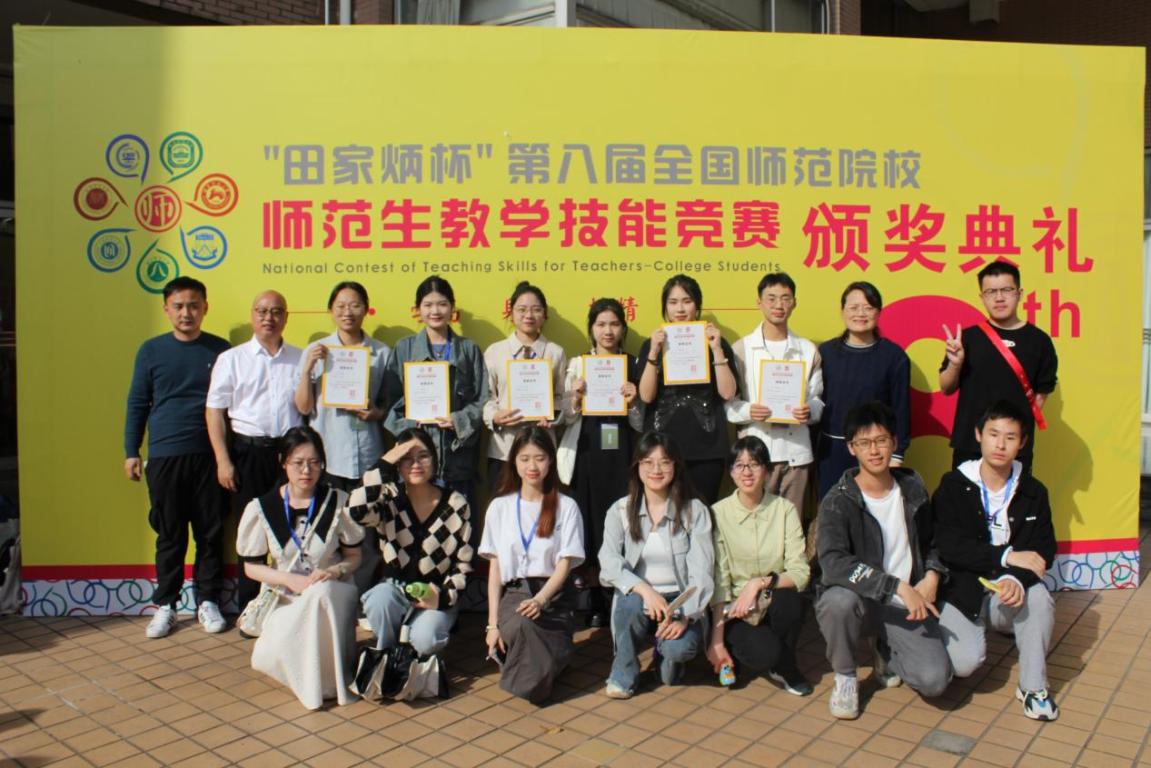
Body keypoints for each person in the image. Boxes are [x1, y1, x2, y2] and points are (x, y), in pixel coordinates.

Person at [816, 402, 951, 720]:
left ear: (894, 442)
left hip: (905, 606)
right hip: (861, 601)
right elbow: (833, 562)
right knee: (837, 602)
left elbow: (933, 541)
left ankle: (885, 648)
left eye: (881, 440)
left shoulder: (913, 487)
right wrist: (895, 586)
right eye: (864, 443)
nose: (874, 450)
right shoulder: (838, 500)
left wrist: (932, 574)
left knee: (935, 681)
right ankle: (846, 676)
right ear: (851, 448)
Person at [935, 400, 1058, 720]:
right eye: (993, 434)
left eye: (1010, 437)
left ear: (1023, 442)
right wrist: (1006, 556)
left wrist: (1016, 578)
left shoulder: (1034, 491)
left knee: (1039, 598)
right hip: (962, 591)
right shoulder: (953, 485)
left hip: (1005, 594)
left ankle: (1033, 687)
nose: (1000, 445)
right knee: (963, 665)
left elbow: (1044, 550)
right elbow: (949, 546)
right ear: (979, 435)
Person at [124, 276, 230, 639]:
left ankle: (208, 600)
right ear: (166, 309)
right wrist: (131, 451)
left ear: (205, 308)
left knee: (210, 533)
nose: (187, 313)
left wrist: (227, 456)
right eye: (179, 306)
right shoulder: (151, 351)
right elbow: (138, 402)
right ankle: (166, 605)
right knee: (169, 534)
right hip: (166, 454)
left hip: (210, 455)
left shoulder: (220, 350)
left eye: (194, 305)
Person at [237, 427, 363, 710]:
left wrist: (335, 571)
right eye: (298, 462)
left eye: (314, 463)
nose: (307, 470)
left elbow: (355, 557)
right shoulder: (262, 507)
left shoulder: (338, 502)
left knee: (321, 594)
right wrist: (287, 579)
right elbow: (251, 568)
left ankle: (323, 685)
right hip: (286, 596)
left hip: (333, 592)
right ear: (283, 462)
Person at [206, 290, 303, 613]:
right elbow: (214, 411)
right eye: (262, 311)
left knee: (293, 530)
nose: (268, 318)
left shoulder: (300, 358)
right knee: (251, 532)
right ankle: (251, 608)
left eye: (276, 311)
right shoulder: (232, 359)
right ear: (252, 315)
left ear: (286, 317)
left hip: (290, 455)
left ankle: (289, 607)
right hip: (248, 453)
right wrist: (223, 460)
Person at [598, 432, 713, 699]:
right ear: (637, 466)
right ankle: (623, 673)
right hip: (640, 598)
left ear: (676, 466)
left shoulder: (694, 510)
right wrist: (643, 589)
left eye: (665, 462)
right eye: (648, 462)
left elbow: (702, 571)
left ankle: (666, 652)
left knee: (677, 655)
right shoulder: (620, 510)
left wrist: (685, 615)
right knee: (629, 603)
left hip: (679, 601)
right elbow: (608, 561)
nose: (656, 470)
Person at [294, 281, 390, 592]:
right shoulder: (317, 350)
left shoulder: (381, 353)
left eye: (355, 305)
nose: (348, 312)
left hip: (368, 455)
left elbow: (389, 406)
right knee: (328, 528)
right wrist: (308, 367)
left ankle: (362, 594)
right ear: (331, 310)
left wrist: (375, 412)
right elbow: (303, 407)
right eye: (341, 306)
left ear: (366, 309)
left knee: (368, 528)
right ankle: (330, 592)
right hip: (329, 456)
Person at [479, 427, 584, 704]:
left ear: (550, 461)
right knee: (523, 624)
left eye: (539, 458)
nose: (532, 467)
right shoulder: (499, 507)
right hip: (515, 594)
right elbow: (495, 570)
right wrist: (492, 625)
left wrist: (541, 599)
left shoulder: (567, 506)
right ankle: (548, 663)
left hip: (554, 596)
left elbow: (565, 564)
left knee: (531, 628)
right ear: (513, 461)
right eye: (524, 459)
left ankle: (541, 663)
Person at [348, 428, 473, 657]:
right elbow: (355, 510)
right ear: (396, 464)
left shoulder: (456, 504)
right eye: (406, 458)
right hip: (395, 588)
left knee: (426, 639)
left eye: (423, 456)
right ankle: (387, 653)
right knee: (379, 601)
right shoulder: (389, 498)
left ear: (434, 460)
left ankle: (420, 651)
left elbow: (464, 563)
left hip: (435, 589)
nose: (415, 464)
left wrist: (443, 597)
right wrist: (385, 462)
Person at [559, 298, 643, 627]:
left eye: (614, 324)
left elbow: (641, 423)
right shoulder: (578, 365)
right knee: (589, 524)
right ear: (591, 328)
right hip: (587, 454)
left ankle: (617, 593)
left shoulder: (633, 365)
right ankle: (593, 598)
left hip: (622, 457)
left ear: (623, 328)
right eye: (601, 324)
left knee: (620, 522)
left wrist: (634, 402)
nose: (608, 331)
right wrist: (576, 398)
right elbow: (565, 418)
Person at [707, 436, 811, 696]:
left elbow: (800, 572)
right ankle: (740, 650)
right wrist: (716, 642)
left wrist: (758, 583)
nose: (747, 472)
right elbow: (719, 580)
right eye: (739, 465)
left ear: (767, 469)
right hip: (736, 610)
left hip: (770, 598)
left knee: (791, 601)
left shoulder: (784, 509)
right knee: (764, 653)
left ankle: (787, 667)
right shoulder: (718, 513)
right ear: (730, 471)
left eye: (754, 464)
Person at [940, 260, 1058, 474]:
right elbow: (946, 387)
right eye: (991, 292)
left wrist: (1015, 435)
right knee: (962, 496)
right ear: (982, 297)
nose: (999, 298)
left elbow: (1041, 394)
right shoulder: (967, 338)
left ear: (1019, 294)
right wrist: (955, 365)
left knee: (1016, 496)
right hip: (970, 444)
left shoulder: (1039, 341)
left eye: (1007, 290)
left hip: (1015, 450)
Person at [383, 276, 488, 510]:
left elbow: (482, 399)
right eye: (428, 305)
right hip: (415, 459)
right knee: (415, 522)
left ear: (452, 307)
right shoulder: (404, 348)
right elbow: (390, 402)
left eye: (442, 304)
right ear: (417, 309)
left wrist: (458, 420)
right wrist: (410, 424)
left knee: (459, 522)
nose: (435, 311)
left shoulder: (469, 349)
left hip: (457, 458)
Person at [726, 272, 823, 517]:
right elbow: (728, 405)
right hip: (755, 454)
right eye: (771, 298)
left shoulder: (807, 349)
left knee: (793, 522)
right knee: (755, 523)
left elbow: (818, 399)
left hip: (796, 454)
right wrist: (750, 411)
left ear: (794, 303)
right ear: (759, 302)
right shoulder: (741, 349)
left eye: (785, 298)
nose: (779, 305)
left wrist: (810, 410)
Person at [637, 274, 738, 505]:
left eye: (687, 301)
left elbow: (728, 393)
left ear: (697, 305)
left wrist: (716, 349)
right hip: (661, 449)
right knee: (662, 513)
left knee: (702, 513)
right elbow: (646, 396)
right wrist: (654, 352)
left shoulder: (716, 342)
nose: (680, 309)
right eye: (673, 302)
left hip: (707, 449)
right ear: (665, 307)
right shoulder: (651, 345)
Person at [816, 282, 910, 499]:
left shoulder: (894, 356)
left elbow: (901, 409)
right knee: (833, 510)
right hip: (832, 450)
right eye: (854, 307)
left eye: (868, 308)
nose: (860, 314)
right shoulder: (826, 353)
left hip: (875, 451)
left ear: (879, 312)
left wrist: (897, 455)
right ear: (843, 311)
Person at [482, 281, 566, 491]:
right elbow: (486, 397)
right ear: (511, 314)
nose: (529, 315)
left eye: (536, 309)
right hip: (504, 448)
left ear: (544, 315)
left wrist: (552, 416)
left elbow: (561, 397)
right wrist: (495, 416)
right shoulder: (495, 351)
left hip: (542, 450)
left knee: (543, 507)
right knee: (503, 506)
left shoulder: (555, 352)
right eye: (521, 309)